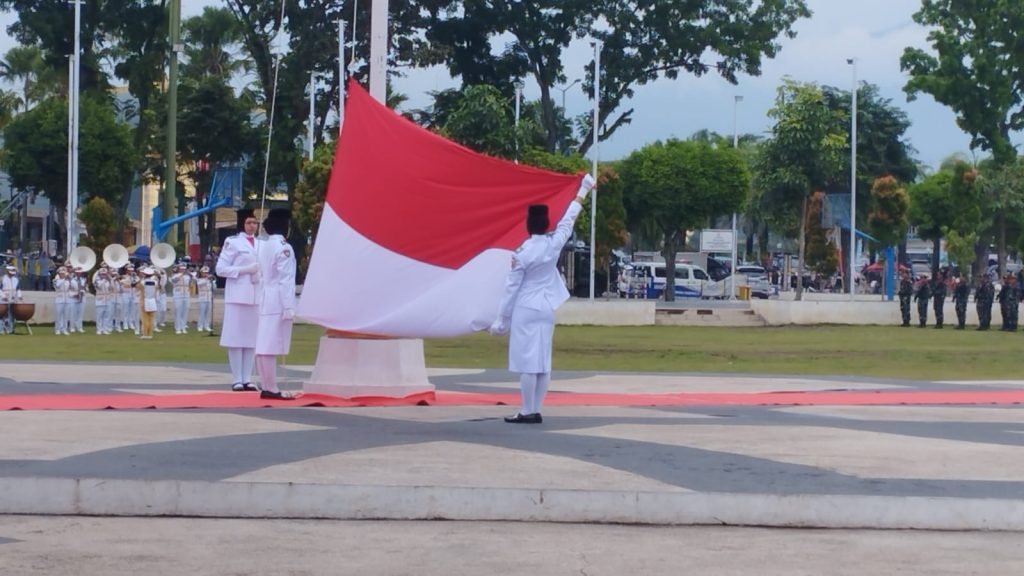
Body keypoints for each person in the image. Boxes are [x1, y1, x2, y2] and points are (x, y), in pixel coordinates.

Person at [489, 174, 596, 424]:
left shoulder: (522, 253)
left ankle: (527, 410)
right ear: (546, 223)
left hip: (526, 307)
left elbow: (510, 289)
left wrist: (501, 320)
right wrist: (583, 189)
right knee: (542, 361)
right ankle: (536, 408)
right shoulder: (553, 245)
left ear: (528, 224)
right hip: (547, 307)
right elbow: (569, 220)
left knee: (528, 362)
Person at [217, 209, 261, 392]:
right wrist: (244, 270)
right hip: (237, 294)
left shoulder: (261, 244)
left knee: (251, 339)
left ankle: (247, 378)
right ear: (242, 224)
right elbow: (221, 269)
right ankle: (236, 378)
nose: (253, 226)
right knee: (235, 338)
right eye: (249, 222)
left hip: (255, 294)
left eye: (255, 222)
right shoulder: (233, 243)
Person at [255, 209, 297, 400]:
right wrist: (289, 305)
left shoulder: (263, 246)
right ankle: (271, 387)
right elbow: (286, 279)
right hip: (277, 299)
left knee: (263, 344)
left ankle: (266, 384)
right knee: (270, 345)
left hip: (264, 297)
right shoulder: (284, 247)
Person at [171, 262, 194, 334]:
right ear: (178, 269)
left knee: (185, 311)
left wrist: (191, 275)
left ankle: (183, 327)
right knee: (178, 311)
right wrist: (181, 275)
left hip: (186, 295)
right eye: (181, 269)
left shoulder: (188, 276)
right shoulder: (175, 276)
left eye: (184, 269)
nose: (183, 270)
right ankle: (178, 328)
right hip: (178, 295)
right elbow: (174, 281)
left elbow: (194, 280)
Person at [137, 267, 159, 339]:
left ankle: (145, 334)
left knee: (145, 318)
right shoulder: (155, 282)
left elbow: (137, 286)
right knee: (151, 318)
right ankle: (150, 334)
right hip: (152, 300)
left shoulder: (143, 282)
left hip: (145, 300)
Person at [1, 264, 22, 334]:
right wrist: (3, 296)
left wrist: (19, 296)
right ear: (7, 272)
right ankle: (1, 330)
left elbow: (18, 289)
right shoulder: (2, 279)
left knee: (11, 315)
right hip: (3, 300)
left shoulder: (16, 279)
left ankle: (10, 329)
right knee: (2, 315)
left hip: (12, 300)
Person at [53, 266, 72, 335]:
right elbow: (57, 285)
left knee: (66, 316)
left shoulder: (67, 281)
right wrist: (64, 279)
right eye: (61, 273)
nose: (63, 275)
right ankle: (57, 329)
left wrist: (69, 278)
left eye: (64, 273)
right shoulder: (56, 280)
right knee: (58, 315)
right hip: (59, 300)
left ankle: (64, 329)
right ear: (59, 274)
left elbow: (71, 288)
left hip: (67, 300)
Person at [195, 266, 214, 332]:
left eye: (206, 273)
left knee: (207, 313)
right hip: (202, 298)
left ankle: (206, 326)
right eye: (204, 273)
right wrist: (206, 279)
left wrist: (213, 281)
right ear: (201, 273)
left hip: (208, 298)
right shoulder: (199, 279)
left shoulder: (209, 280)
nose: (205, 274)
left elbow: (213, 288)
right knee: (202, 313)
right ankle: (200, 326)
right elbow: (199, 284)